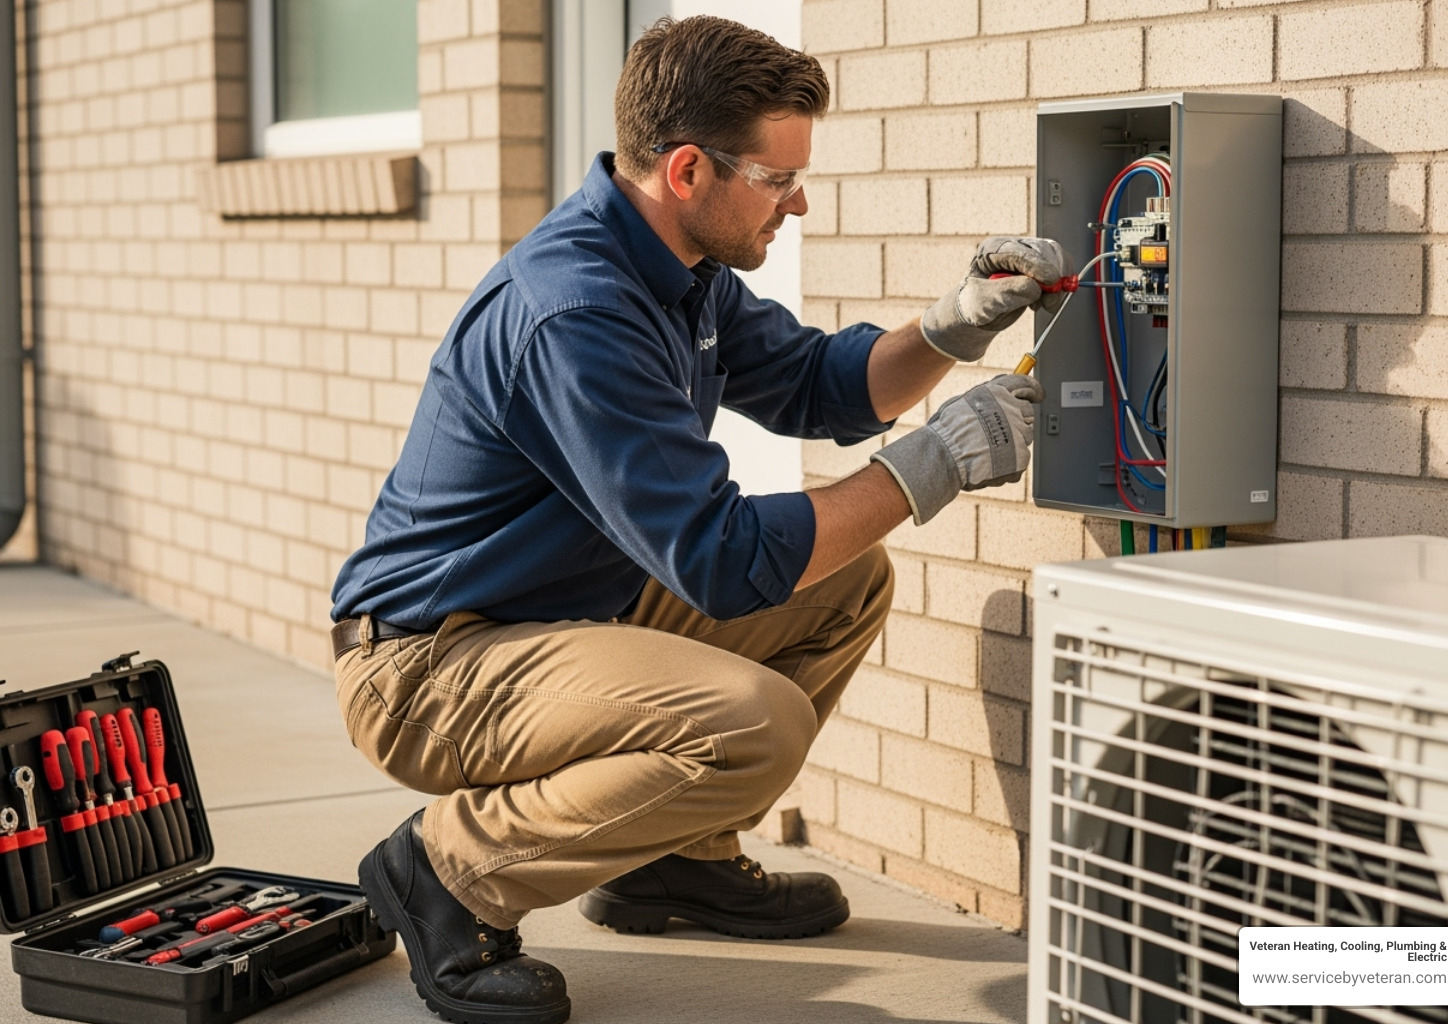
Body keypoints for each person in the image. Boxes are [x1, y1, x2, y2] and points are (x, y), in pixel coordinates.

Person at [329, 15, 1067, 1024]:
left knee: (846, 577)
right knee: (754, 726)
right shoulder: (575, 310)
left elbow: (820, 382)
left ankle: (674, 864)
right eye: (777, 179)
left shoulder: (680, 271)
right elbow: (719, 562)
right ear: (687, 171)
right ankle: (451, 873)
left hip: (551, 621)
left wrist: (953, 324)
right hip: (428, 665)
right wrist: (930, 465)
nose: (798, 203)